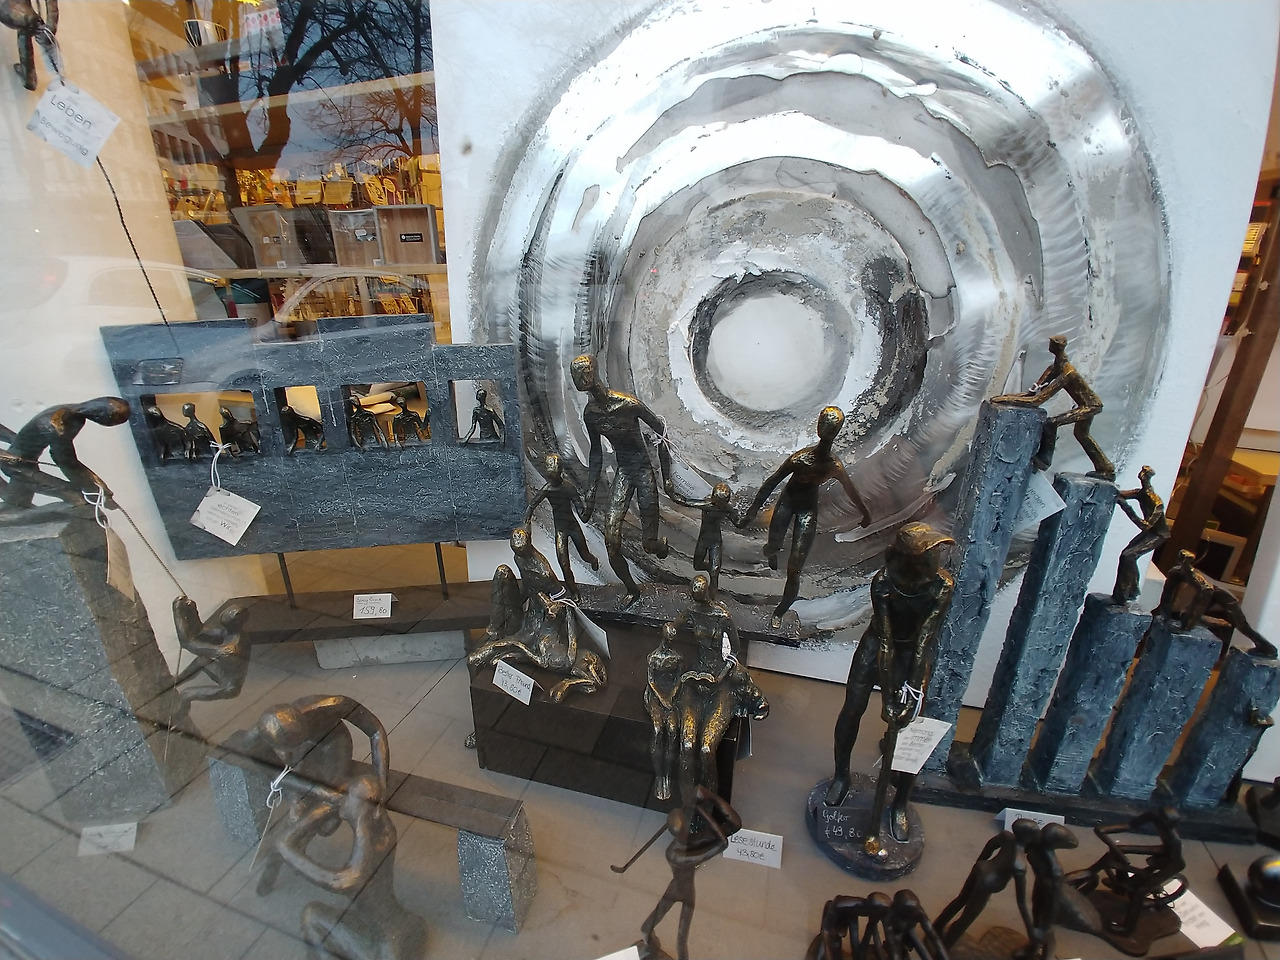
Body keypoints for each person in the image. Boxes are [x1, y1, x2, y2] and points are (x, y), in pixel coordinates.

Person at [826, 522, 955, 840]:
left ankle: (900, 802)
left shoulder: (941, 586)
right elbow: (884, 641)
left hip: (912, 653)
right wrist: (887, 699)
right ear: (910, 558)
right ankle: (841, 776)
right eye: (929, 552)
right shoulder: (883, 582)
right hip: (877, 645)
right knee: (852, 708)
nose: (936, 556)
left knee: (910, 726)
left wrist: (909, 691)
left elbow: (924, 641)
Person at [739, 406, 871, 627]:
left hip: (807, 511)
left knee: (795, 568)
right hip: (787, 503)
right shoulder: (800, 459)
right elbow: (771, 482)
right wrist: (751, 513)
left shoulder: (833, 466)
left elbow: (851, 490)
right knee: (772, 546)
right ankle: (771, 552)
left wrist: (865, 513)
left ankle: (781, 610)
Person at [272, 774, 427, 960]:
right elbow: (368, 796)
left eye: (348, 798)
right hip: (408, 926)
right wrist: (342, 801)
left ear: (346, 812)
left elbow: (283, 843)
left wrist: (320, 811)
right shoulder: (386, 831)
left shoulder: (351, 877)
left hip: (384, 948)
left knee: (311, 915)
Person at [571, 354, 669, 605]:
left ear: (592, 372)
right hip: (624, 472)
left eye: (582, 372)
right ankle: (632, 590)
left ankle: (659, 545)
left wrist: (668, 478)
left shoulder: (629, 405)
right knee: (611, 541)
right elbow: (595, 452)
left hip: (643, 470)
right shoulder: (591, 415)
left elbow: (662, 433)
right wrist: (591, 490)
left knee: (649, 545)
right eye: (575, 373)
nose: (578, 378)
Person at [992, 334, 1114, 480]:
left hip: (1091, 405)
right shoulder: (1054, 368)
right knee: (1082, 435)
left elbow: (1038, 400)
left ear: (1058, 347)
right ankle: (1106, 468)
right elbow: (1032, 393)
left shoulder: (1068, 372)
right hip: (1085, 404)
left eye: (1052, 343)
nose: (1049, 345)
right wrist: (1007, 398)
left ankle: (1045, 460)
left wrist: (1005, 400)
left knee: (1052, 423)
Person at [640, 787, 741, 960]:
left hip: (685, 893)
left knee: (678, 939)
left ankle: (654, 947)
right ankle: (651, 948)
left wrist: (708, 795)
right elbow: (723, 843)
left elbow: (735, 825)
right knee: (652, 931)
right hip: (676, 893)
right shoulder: (676, 855)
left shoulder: (691, 841)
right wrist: (702, 810)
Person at [0, 396, 130, 509]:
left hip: (26, 463)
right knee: (75, 498)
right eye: (113, 422)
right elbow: (65, 461)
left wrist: (99, 489)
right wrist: (96, 489)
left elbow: (67, 460)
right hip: (18, 466)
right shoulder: (58, 425)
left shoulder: (73, 416)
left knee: (16, 503)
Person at [934, 820, 1036, 949]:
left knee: (961, 899)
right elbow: (1021, 900)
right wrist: (1029, 925)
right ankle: (944, 949)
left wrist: (979, 863)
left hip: (980, 868)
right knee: (967, 917)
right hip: (987, 884)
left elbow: (990, 846)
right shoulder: (1020, 864)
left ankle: (936, 927)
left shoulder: (1006, 837)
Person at [525, 453, 599, 599]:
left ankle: (593, 560)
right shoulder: (547, 489)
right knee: (564, 564)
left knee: (585, 555)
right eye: (549, 468)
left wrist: (589, 503)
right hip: (561, 530)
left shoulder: (568, 488)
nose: (551, 472)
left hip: (573, 527)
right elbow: (531, 506)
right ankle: (574, 592)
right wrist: (526, 524)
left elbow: (583, 517)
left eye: (553, 468)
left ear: (559, 470)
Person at [664, 478, 745, 598]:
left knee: (715, 572)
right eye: (718, 503)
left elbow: (739, 524)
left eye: (722, 503)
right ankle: (710, 568)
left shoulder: (727, 510)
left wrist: (748, 516)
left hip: (715, 541)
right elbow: (685, 501)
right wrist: (670, 493)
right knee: (697, 565)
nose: (720, 506)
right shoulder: (707, 505)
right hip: (703, 539)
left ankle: (712, 597)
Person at [172, 595, 250, 703]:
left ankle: (179, 711)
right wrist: (192, 611)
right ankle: (178, 680)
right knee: (202, 660)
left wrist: (177, 611)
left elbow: (187, 642)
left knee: (186, 694)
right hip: (226, 672)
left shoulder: (229, 650)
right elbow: (201, 630)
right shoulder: (234, 633)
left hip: (229, 687)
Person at [1112, 465, 1168, 604]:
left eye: (1144, 474)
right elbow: (1119, 494)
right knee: (1126, 555)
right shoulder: (1139, 493)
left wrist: (1126, 507)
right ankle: (1131, 590)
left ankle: (1127, 591)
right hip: (1151, 532)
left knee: (1129, 556)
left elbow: (1145, 525)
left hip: (1159, 535)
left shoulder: (1157, 503)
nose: (1141, 475)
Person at [645, 623, 684, 802]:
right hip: (655, 695)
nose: (670, 642)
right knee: (658, 730)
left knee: (673, 730)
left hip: (671, 696)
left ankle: (667, 776)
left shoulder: (677, 658)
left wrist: (671, 696)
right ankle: (658, 775)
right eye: (669, 638)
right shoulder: (653, 657)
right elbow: (651, 681)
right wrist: (662, 698)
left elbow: (678, 680)